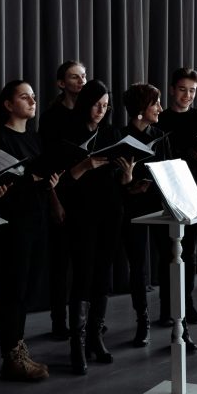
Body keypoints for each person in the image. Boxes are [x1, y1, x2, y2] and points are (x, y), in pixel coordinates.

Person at [54, 79, 133, 374]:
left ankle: (95, 337)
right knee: (83, 275)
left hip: (111, 210)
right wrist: (85, 166)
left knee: (103, 275)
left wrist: (127, 177)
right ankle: (77, 342)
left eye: (105, 105)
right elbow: (57, 180)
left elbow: (121, 181)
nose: (101, 110)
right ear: (86, 102)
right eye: (96, 104)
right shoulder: (67, 134)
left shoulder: (112, 133)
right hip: (80, 212)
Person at [0, 80, 58, 380]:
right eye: (24, 96)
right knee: (14, 289)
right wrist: (31, 180)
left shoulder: (36, 138)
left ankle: (18, 348)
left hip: (37, 219)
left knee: (26, 288)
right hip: (12, 224)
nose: (31, 101)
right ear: (8, 104)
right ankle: (11, 355)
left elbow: (38, 177)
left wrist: (50, 182)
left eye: (33, 96)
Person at [117, 83, 177, 348]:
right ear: (141, 110)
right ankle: (143, 322)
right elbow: (113, 182)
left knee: (169, 258)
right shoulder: (119, 137)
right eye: (156, 104)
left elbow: (171, 170)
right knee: (138, 266)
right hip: (132, 208)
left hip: (160, 204)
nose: (161, 108)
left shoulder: (161, 136)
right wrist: (129, 182)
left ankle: (171, 315)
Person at [157, 67, 197, 329]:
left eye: (192, 90)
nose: (188, 95)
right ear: (171, 89)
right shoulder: (160, 118)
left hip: (195, 191)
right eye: (182, 89)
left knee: (189, 252)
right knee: (166, 253)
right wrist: (188, 156)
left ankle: (186, 304)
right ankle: (166, 307)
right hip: (166, 192)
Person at [39, 61, 87, 339]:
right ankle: (59, 320)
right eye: (74, 77)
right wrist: (54, 200)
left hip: (84, 197)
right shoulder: (51, 117)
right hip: (60, 192)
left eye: (83, 76)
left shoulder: (89, 113)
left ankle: (80, 319)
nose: (80, 81)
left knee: (83, 261)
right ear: (61, 83)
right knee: (60, 264)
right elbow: (47, 164)